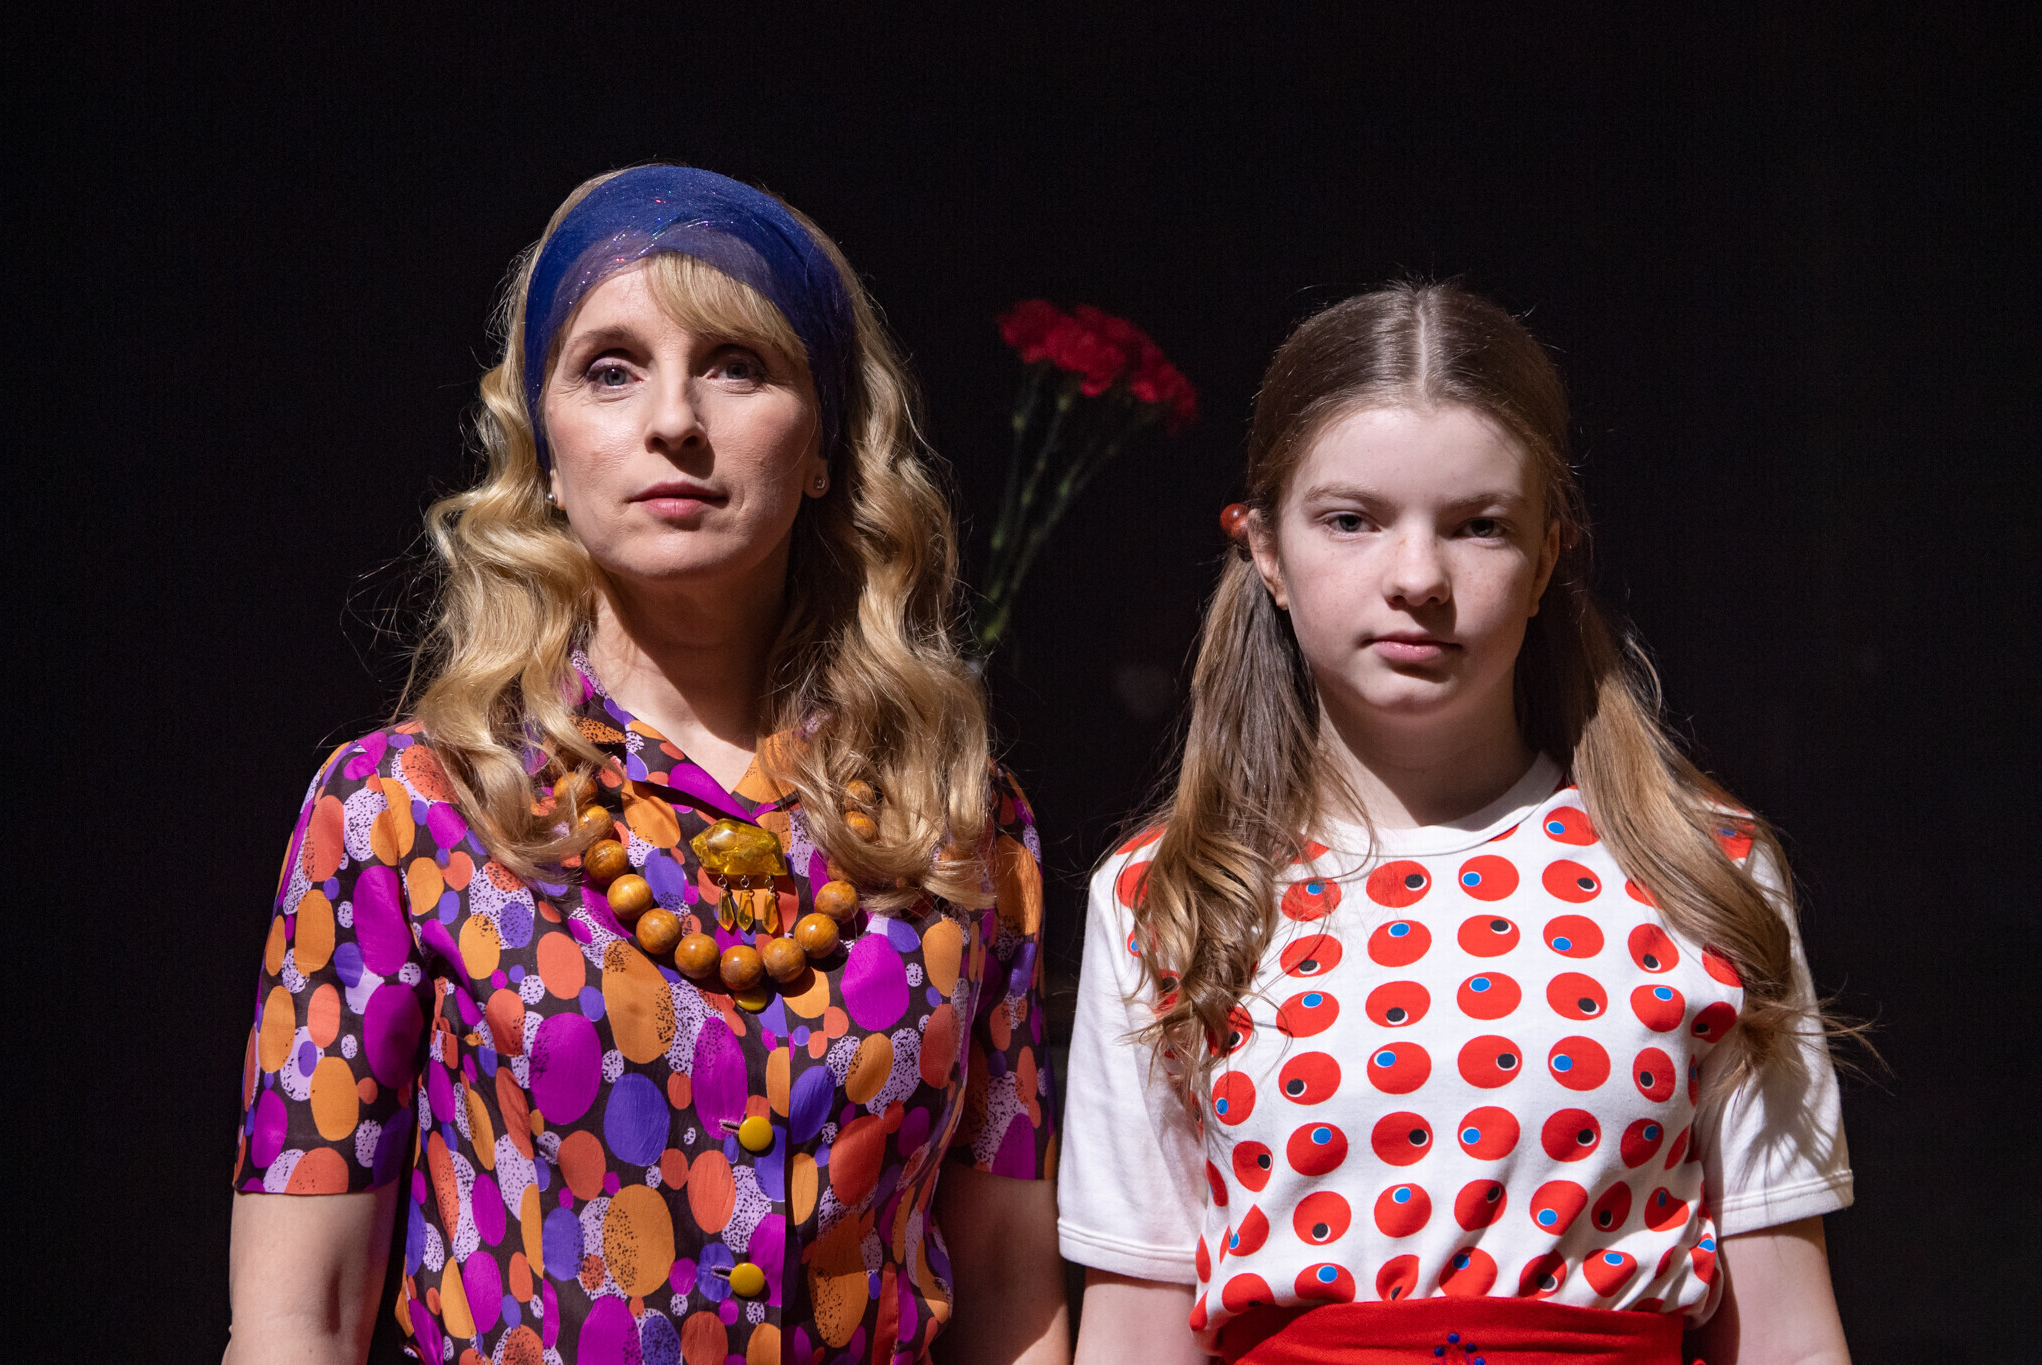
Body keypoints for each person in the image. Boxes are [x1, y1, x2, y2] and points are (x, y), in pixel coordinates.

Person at [226, 165, 1069, 1365]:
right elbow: (295, 1316)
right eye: (610, 370)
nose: (674, 420)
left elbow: (1004, 1287)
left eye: (736, 365)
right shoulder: (407, 808)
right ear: (545, 451)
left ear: (824, 445)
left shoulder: (957, 825)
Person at [1058, 283, 1853, 1364]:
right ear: (1265, 549)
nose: (1418, 578)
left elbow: (1787, 1335)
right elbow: (1134, 1338)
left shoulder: (1698, 871)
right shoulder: (1172, 897)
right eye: (1351, 520)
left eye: (1479, 526)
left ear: (1547, 557)